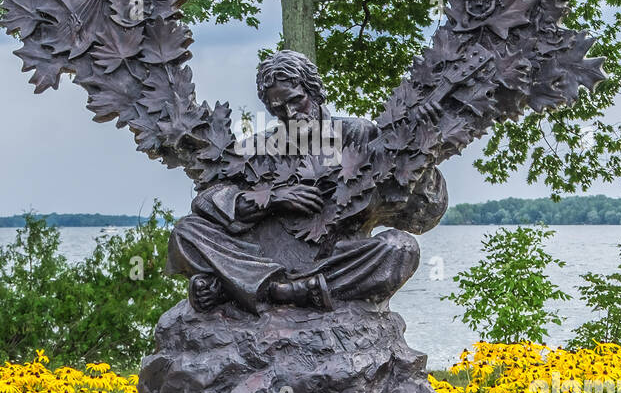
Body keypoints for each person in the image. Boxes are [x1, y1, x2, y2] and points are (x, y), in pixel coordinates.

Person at [167, 49, 447, 312]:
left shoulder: (359, 134)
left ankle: (247, 289)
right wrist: (273, 201)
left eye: (295, 100)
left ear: (314, 91)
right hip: (265, 260)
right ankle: (267, 287)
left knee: (400, 248)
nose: (290, 114)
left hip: (335, 261)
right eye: (278, 108)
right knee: (186, 231)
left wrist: (422, 149)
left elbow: (423, 216)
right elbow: (207, 200)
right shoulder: (259, 147)